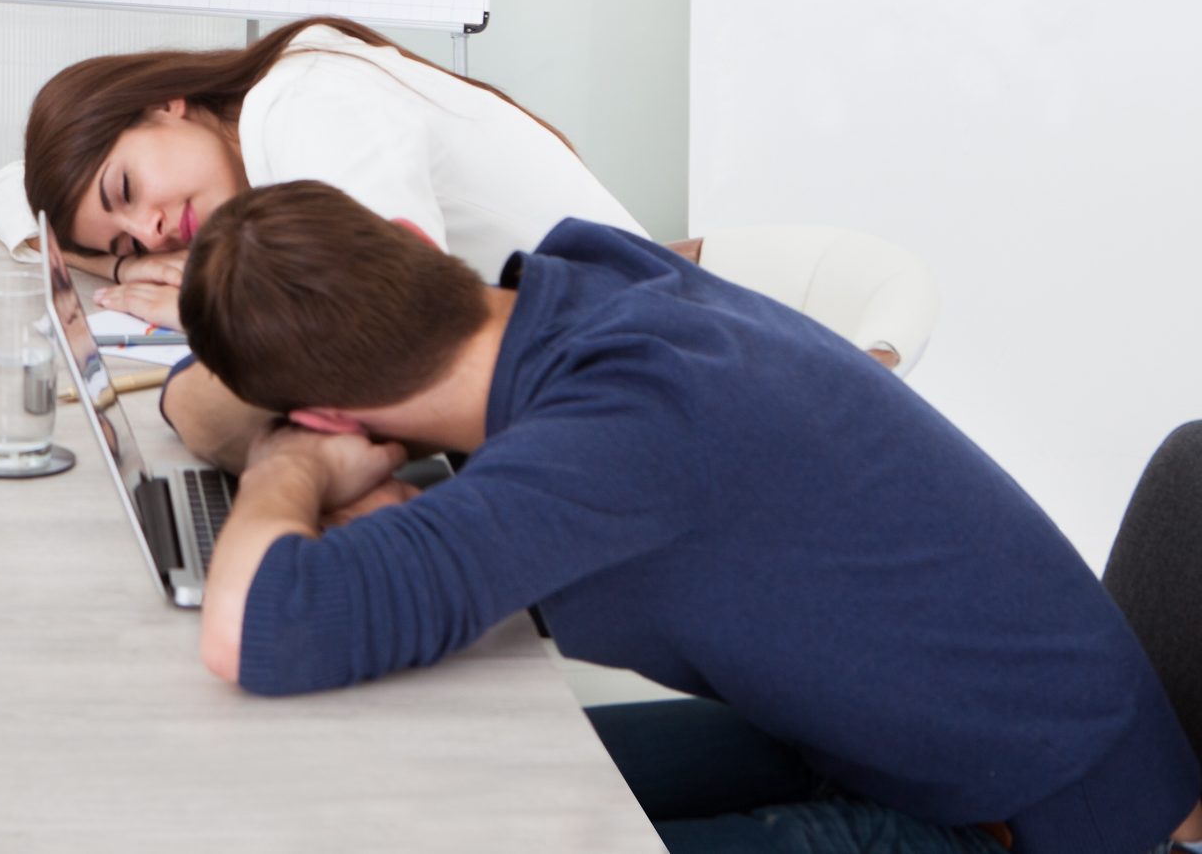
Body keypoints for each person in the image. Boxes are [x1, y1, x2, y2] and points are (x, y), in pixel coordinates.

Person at [179, 180, 1202, 854]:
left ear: (329, 416)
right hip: (902, 747)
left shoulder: (606, 439)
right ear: (412, 242)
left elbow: (253, 625)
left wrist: (286, 465)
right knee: (433, 792)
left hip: (1030, 822)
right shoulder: (596, 279)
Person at [23, 16, 643, 466]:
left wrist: (211, 312)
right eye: (129, 244)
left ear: (163, 104)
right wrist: (117, 268)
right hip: (547, 379)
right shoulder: (262, 124)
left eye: (126, 189)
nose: (150, 232)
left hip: (614, 386)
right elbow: (8, 187)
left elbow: (382, 331)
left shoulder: (310, 109)